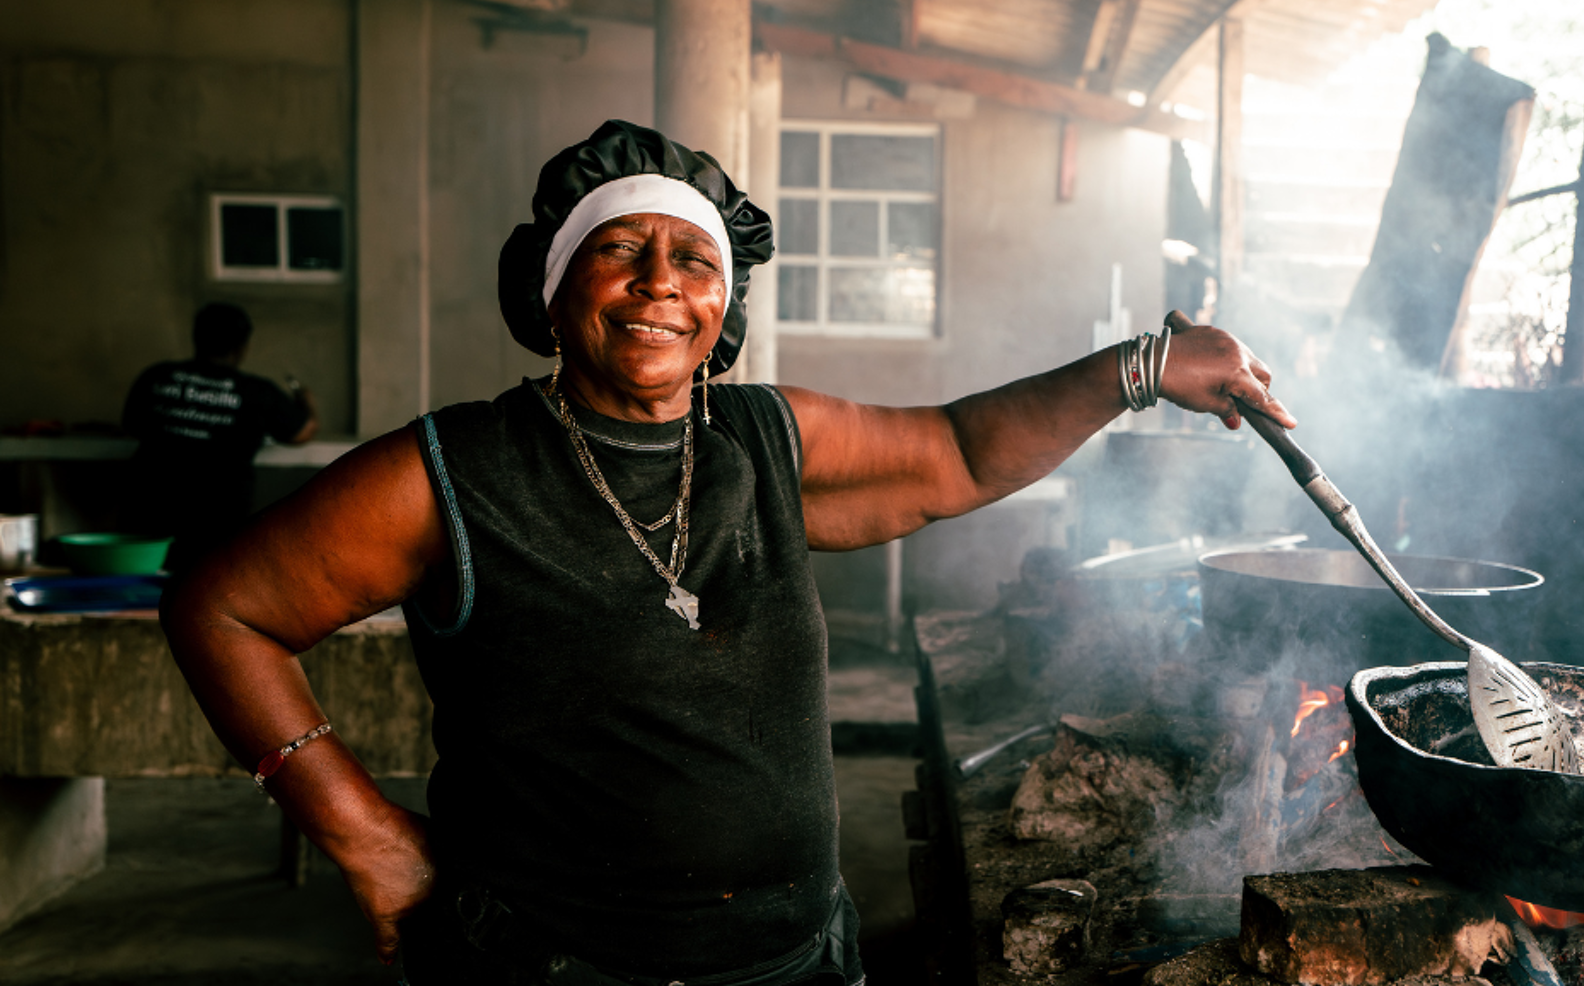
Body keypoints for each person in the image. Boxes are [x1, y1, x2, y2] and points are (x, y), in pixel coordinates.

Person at [159, 120, 1294, 986]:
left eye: (694, 260)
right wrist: (365, 839)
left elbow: (953, 453)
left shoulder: (762, 437)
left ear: (724, 302)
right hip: (550, 967)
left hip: (795, 958)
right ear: (550, 290)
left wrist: (1136, 366)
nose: (661, 281)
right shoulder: (454, 469)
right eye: (618, 250)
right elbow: (221, 607)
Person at [122, 302, 318, 570]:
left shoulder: (157, 376)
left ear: (196, 338)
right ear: (242, 347)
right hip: (218, 522)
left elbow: (132, 424)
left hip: (149, 515)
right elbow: (302, 432)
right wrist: (307, 402)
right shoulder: (257, 392)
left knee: (145, 588)